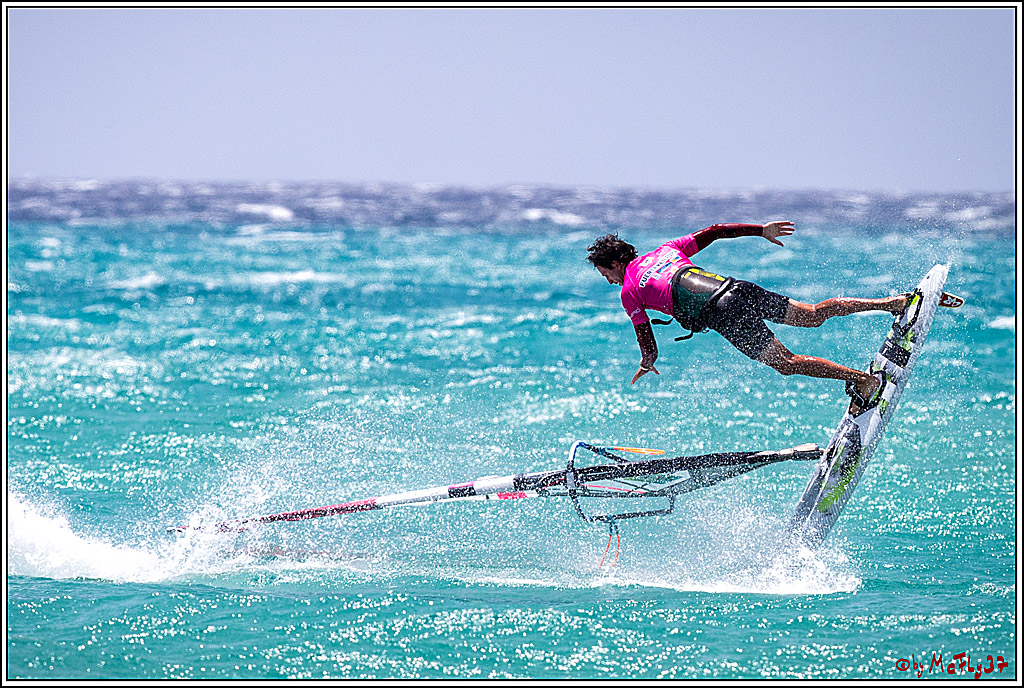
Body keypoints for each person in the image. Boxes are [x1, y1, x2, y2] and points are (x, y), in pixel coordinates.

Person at [586, 221, 907, 411]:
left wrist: (646, 364)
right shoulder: (666, 250)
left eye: (605, 275)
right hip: (737, 288)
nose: (609, 281)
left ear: (614, 265)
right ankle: (891, 303)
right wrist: (760, 230)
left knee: (786, 363)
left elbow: (650, 348)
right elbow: (714, 232)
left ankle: (864, 381)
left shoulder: (629, 291)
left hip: (723, 312)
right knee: (812, 314)